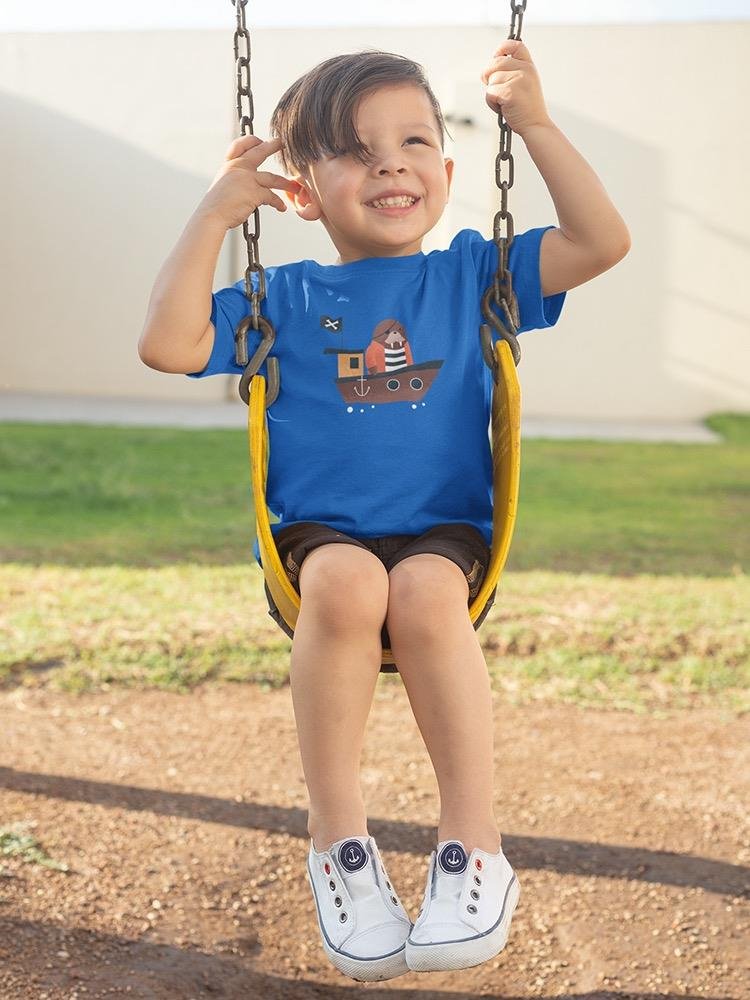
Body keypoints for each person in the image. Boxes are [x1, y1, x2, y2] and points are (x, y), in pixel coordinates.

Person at [139, 39, 630, 982]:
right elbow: (167, 344)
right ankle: (340, 846)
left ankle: (472, 848)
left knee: (427, 595)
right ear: (303, 193)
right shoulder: (278, 296)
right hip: (317, 535)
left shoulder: (468, 277)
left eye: (413, 140)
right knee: (347, 581)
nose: (391, 162)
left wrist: (532, 123)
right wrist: (213, 212)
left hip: (445, 533)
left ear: (448, 172)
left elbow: (602, 242)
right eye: (358, 150)